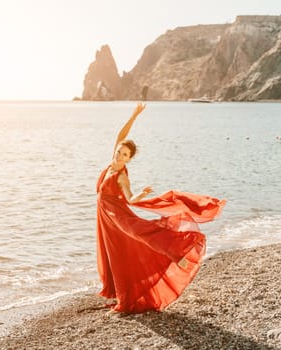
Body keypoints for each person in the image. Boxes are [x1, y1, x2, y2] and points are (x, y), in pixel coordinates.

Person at [96, 102, 226, 313]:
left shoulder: (121, 176)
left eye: (124, 155)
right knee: (116, 251)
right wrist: (134, 115)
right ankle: (120, 292)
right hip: (104, 215)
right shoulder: (112, 163)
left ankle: (177, 251)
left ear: (129, 159)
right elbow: (121, 134)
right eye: (119, 151)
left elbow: (130, 199)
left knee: (140, 232)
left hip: (116, 213)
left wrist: (143, 194)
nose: (120, 155)